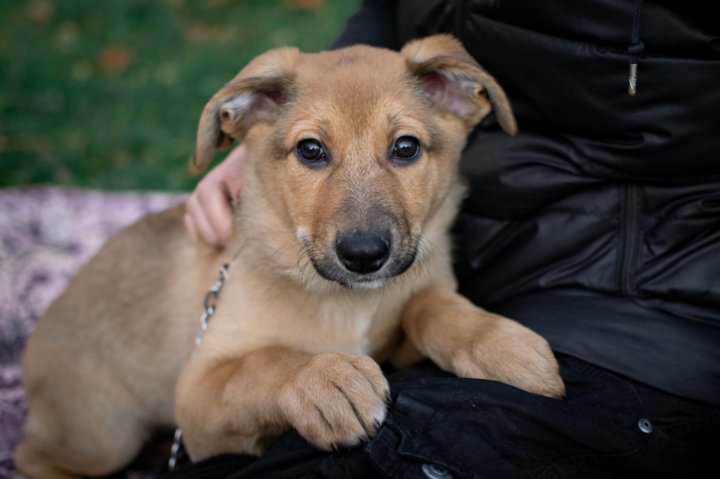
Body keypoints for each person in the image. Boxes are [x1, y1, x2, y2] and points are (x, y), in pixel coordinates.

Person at [173, 1, 720, 477]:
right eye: (313, 152)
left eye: (404, 148)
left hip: (651, 294)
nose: (363, 236)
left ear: (461, 98)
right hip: (502, 250)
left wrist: (444, 321)